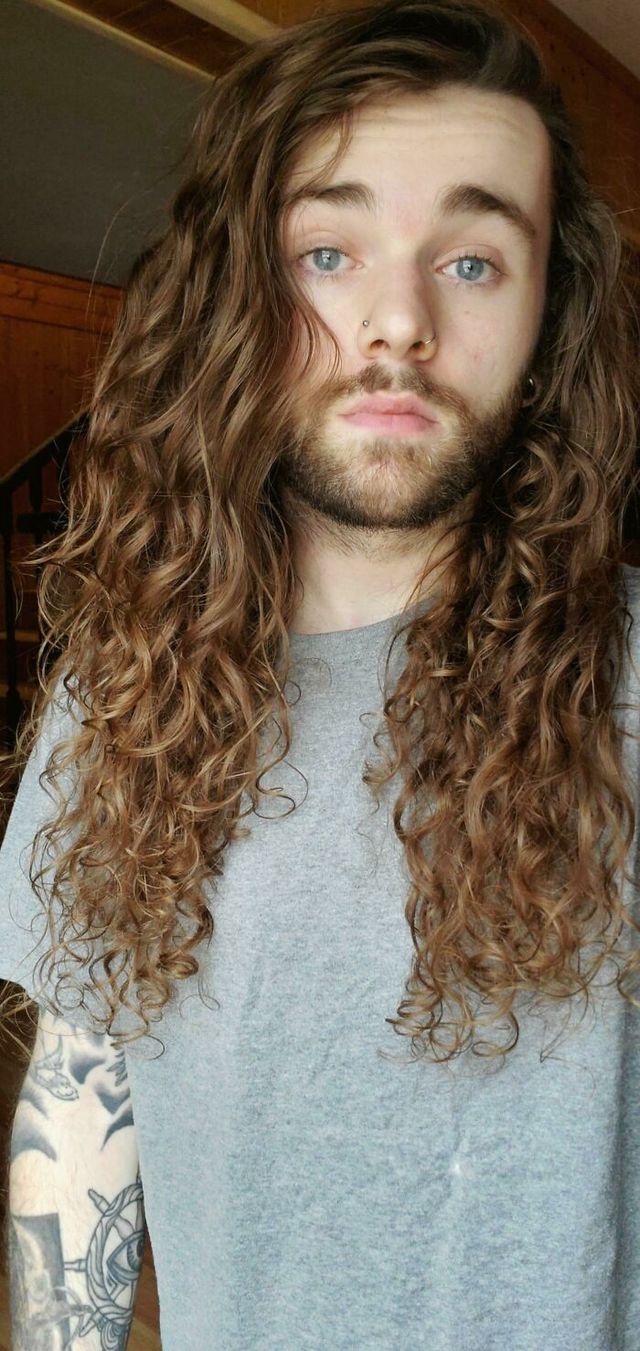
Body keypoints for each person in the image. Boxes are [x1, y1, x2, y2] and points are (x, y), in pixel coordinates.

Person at [1, 0, 640, 1345]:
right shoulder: (118, 696)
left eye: (472, 262)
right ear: (234, 299)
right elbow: (80, 1103)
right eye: (329, 254)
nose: (398, 322)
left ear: (551, 319)